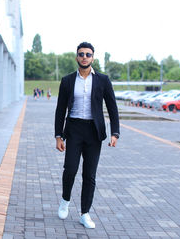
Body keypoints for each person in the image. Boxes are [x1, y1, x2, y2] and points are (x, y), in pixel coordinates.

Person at [54, 42, 119, 229]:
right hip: (73, 129)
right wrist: (59, 135)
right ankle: (65, 200)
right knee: (70, 170)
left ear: (93, 58)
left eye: (88, 54)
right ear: (76, 57)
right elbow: (60, 110)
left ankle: (85, 213)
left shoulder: (103, 80)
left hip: (93, 132)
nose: (84, 57)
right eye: (81, 54)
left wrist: (115, 132)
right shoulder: (67, 81)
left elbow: (112, 107)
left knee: (89, 175)